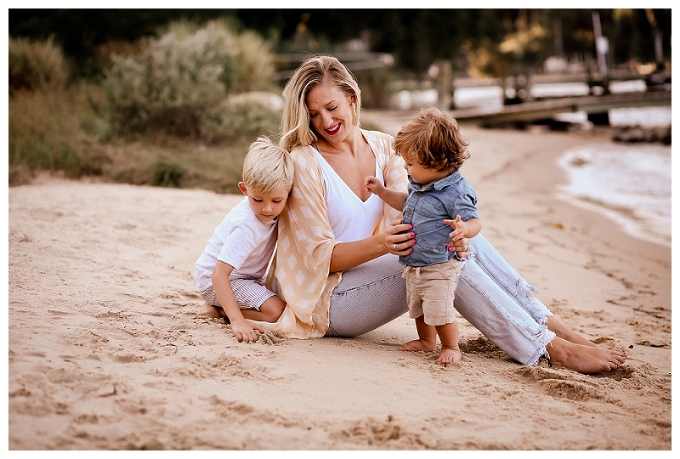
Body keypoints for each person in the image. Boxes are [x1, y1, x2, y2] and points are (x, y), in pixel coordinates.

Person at [266, 55, 626, 373]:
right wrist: (383, 243)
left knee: (462, 237)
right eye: (313, 114)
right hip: (333, 300)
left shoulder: (382, 145)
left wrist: (456, 228)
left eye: (331, 107)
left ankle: (553, 326)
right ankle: (548, 347)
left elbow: (417, 205)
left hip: (379, 276)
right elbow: (318, 260)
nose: (324, 121)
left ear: (351, 97)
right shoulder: (304, 163)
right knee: (442, 257)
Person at [365, 107, 481, 365]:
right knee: (418, 307)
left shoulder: (456, 192)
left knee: (439, 310)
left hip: (440, 264)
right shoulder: (419, 182)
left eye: (410, 163)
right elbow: (407, 202)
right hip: (414, 262)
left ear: (434, 163)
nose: (406, 168)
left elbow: (475, 221)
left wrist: (464, 229)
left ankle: (451, 346)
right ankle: (427, 341)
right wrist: (382, 192)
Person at [195, 136, 294, 343]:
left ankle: (224, 308)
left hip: (243, 277)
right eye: (257, 199)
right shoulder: (247, 226)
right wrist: (237, 321)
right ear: (244, 189)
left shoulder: (274, 211)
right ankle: (222, 312)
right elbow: (219, 275)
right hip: (219, 280)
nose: (267, 209)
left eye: (277, 201)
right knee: (276, 311)